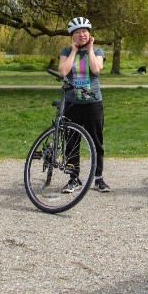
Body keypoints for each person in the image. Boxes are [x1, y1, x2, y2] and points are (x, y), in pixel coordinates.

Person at [58, 16, 110, 193]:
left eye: (85, 31)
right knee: (72, 141)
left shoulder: (98, 51)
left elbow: (96, 69)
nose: (82, 35)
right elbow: (64, 71)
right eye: (78, 32)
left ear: (90, 34)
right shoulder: (65, 51)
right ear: (72, 36)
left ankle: (98, 177)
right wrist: (73, 52)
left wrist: (89, 50)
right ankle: (74, 178)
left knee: (96, 141)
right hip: (72, 103)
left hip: (93, 103)